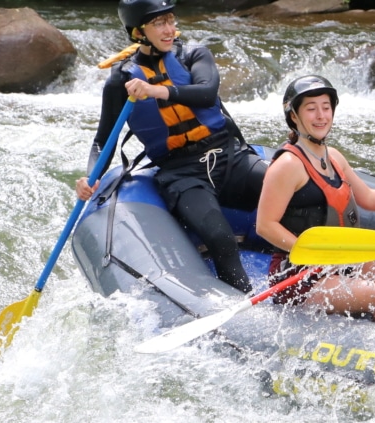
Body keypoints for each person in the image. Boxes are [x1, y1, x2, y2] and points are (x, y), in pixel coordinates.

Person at [76, 0, 266, 292]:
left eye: (170, 20)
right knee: (220, 238)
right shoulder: (120, 81)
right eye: (159, 23)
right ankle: (247, 307)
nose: (169, 29)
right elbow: (104, 141)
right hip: (182, 173)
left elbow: (205, 94)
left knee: (303, 194)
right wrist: (91, 178)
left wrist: (155, 91)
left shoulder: (193, 55)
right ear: (139, 32)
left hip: (228, 156)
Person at [255, 75, 375, 328]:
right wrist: (313, 256)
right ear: (294, 116)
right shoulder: (287, 165)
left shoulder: (335, 157)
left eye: (326, 107)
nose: (321, 116)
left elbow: (368, 198)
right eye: (311, 108)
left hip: (343, 262)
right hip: (301, 276)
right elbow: (265, 225)